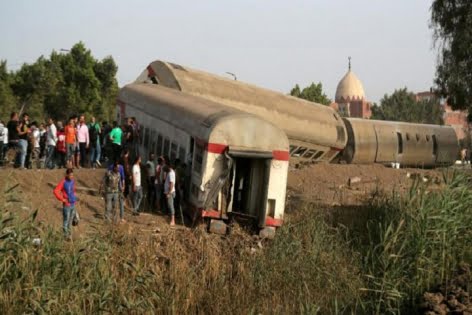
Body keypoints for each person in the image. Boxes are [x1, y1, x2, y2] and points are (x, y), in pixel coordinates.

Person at [53, 168, 77, 239]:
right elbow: (56, 191)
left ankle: (69, 235)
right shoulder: (63, 182)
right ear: (67, 175)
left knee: (72, 220)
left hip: (73, 204)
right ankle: (65, 235)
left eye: (72, 175)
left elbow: (73, 190)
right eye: (70, 175)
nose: (71, 176)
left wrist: (74, 197)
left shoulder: (72, 181)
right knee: (66, 221)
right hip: (67, 205)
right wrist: (62, 199)